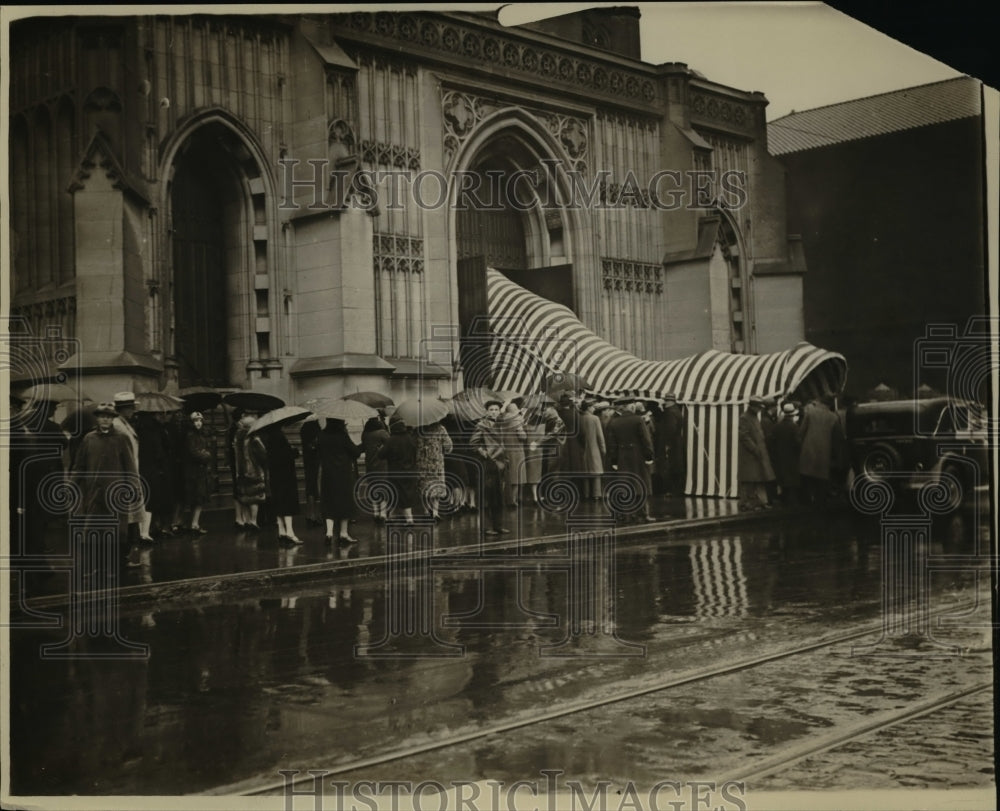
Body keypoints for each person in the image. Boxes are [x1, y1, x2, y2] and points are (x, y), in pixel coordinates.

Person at [72, 402, 143, 574]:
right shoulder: (89, 439)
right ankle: (97, 566)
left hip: (115, 493)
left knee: (117, 531)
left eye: (108, 417)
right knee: (95, 530)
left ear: (113, 419)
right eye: (102, 416)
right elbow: (79, 466)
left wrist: (133, 487)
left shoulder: (120, 438)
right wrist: (71, 484)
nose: (105, 420)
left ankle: (117, 565)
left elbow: (130, 466)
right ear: (97, 418)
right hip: (94, 494)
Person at [605, 401, 656, 522]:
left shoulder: (614, 422)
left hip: (622, 456)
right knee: (641, 484)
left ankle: (627, 515)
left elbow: (612, 444)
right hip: (637, 455)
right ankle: (643, 514)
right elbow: (645, 439)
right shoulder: (638, 420)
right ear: (631, 407)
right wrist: (649, 456)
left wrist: (614, 460)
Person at [317, 418, 362, 541]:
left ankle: (329, 533)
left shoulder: (321, 435)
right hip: (343, 475)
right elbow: (355, 452)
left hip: (327, 474)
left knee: (329, 502)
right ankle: (343, 533)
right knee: (344, 503)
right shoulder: (342, 436)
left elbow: (318, 452)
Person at [111, 391, 148, 542]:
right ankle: (126, 553)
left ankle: (129, 551)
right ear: (123, 409)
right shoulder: (118, 426)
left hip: (131, 472)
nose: (133, 411)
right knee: (126, 516)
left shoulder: (124, 424)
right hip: (125, 476)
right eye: (131, 408)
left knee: (130, 515)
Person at [135, 409, 177, 539]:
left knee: (148, 499)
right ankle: (152, 529)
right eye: (159, 414)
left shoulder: (140, 428)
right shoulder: (155, 430)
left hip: (145, 467)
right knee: (155, 499)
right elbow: (160, 449)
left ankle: (150, 529)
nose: (162, 416)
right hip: (157, 469)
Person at [470, 400, 510, 535]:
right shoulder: (481, 425)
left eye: (496, 409)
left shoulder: (501, 425)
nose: (494, 412)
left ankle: (498, 525)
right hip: (487, 464)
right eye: (491, 409)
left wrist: (506, 459)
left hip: (501, 464)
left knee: (499, 496)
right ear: (487, 411)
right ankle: (487, 527)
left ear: (500, 411)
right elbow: (474, 443)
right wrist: (485, 454)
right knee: (486, 496)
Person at [372, 418, 419, 525]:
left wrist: (380, 449)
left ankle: (408, 519)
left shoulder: (391, 440)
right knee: (406, 495)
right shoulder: (410, 438)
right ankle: (395, 516)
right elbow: (415, 453)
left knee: (397, 495)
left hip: (396, 472)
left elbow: (381, 455)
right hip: (410, 471)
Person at [260, 423, 301, 543]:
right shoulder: (279, 437)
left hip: (275, 475)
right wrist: (294, 452)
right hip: (285, 475)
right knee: (287, 503)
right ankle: (290, 532)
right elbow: (286, 455)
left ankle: (282, 531)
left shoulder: (268, 438)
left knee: (278, 503)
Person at [798, 396, 839, 505]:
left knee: (807, 476)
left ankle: (806, 502)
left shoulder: (810, 413)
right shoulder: (833, 417)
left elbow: (801, 432)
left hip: (808, 449)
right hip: (824, 452)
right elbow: (836, 438)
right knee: (821, 479)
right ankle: (820, 502)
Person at [738, 395, 775, 511]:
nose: (760, 409)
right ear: (752, 406)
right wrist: (755, 449)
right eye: (758, 407)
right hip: (750, 455)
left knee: (756, 479)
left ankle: (755, 502)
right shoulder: (744, 418)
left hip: (756, 454)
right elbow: (744, 436)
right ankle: (746, 503)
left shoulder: (754, 417)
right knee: (750, 479)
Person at [233, 412, 268, 530]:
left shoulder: (238, 438)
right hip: (254, 471)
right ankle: (253, 521)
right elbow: (263, 455)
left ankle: (247, 520)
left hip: (241, 471)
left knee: (245, 497)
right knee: (254, 499)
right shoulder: (254, 439)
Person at [181, 411, 214, 534]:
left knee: (198, 499)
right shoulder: (191, 435)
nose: (199, 423)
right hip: (194, 471)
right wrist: (207, 455)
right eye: (196, 421)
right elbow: (193, 452)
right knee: (197, 498)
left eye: (200, 420)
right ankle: (193, 524)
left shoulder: (198, 435)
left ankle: (194, 523)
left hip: (199, 471)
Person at [416, 419, 453, 520]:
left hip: (422, 463)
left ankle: (426, 510)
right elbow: (449, 446)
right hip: (437, 463)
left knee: (423, 486)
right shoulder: (440, 429)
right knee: (436, 487)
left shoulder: (419, 429)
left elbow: (415, 446)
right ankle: (435, 512)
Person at [771, 402, 803, 506]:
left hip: (780, 458)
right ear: (793, 415)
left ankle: (784, 500)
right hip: (792, 458)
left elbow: (772, 442)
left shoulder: (776, 426)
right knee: (792, 481)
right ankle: (792, 503)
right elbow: (798, 443)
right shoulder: (794, 427)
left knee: (783, 479)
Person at [497, 400, 527, 507]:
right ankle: (513, 501)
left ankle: (506, 499)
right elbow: (522, 437)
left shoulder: (503, 422)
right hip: (517, 452)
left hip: (507, 451)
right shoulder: (516, 422)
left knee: (508, 478)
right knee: (517, 479)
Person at [361, 415, 390, 522]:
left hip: (370, 464)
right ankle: (383, 513)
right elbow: (390, 444)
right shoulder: (382, 433)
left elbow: (363, 446)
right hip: (382, 465)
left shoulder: (365, 434)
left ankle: (375, 512)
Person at [579, 400, 606, 500]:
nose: (594, 408)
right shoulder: (595, 418)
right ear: (589, 407)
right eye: (593, 407)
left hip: (582, 450)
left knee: (585, 472)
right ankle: (596, 494)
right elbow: (600, 436)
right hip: (594, 449)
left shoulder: (579, 418)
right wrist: (603, 449)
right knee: (596, 473)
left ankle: (586, 494)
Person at [299, 417, 322, 527]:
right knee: (315, 488)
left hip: (307, 460)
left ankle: (310, 515)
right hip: (316, 461)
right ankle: (314, 515)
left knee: (310, 487)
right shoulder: (316, 429)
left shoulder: (304, 429)